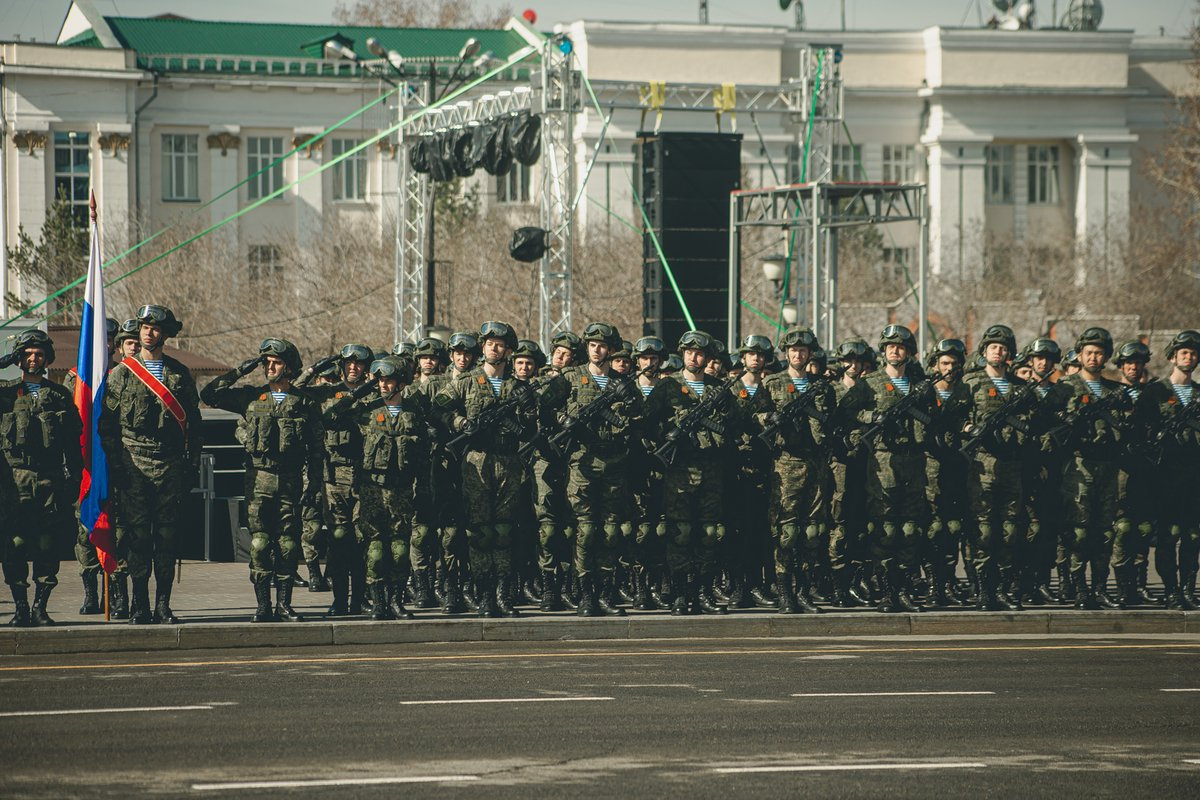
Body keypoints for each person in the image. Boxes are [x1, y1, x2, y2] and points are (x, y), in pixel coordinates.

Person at [201, 338, 324, 623]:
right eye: (266, 363)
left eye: (276, 363)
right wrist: (241, 370)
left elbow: (317, 450)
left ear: (290, 368)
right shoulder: (250, 397)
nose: (269, 367)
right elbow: (209, 394)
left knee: (288, 545)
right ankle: (262, 606)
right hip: (259, 483)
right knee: (259, 545)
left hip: (291, 482)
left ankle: (284, 604)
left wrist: (314, 486)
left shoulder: (304, 403)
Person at [101, 305, 202, 624]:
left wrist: (192, 464)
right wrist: (115, 466)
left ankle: (163, 604)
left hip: (170, 464)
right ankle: (139, 604)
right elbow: (108, 426)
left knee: (168, 538)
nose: (148, 331)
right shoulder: (122, 374)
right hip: (133, 465)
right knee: (138, 537)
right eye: (145, 326)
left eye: (155, 327)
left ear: (166, 334)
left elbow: (195, 424)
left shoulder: (178, 374)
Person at [434, 321, 538, 617]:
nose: (494, 347)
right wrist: (460, 423)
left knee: (504, 530)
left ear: (508, 350)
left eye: (500, 344)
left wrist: (529, 405)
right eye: (490, 343)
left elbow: (530, 426)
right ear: (483, 347)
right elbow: (439, 408)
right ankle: (484, 594)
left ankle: (505, 593)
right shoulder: (466, 381)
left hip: (508, 461)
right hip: (476, 461)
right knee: (480, 532)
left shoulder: (518, 386)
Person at [541, 322, 642, 616]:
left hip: (614, 461)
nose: (597, 350)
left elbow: (639, 417)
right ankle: (585, 592)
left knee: (611, 530)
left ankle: (606, 592)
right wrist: (563, 420)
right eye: (592, 345)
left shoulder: (621, 381)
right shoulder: (571, 378)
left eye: (602, 346)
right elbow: (543, 406)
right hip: (582, 461)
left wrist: (630, 397)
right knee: (585, 530)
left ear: (610, 350)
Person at [323, 355, 430, 620]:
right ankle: (379, 601)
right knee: (375, 550)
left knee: (400, 550)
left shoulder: (415, 413)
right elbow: (331, 417)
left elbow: (423, 456)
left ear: (401, 383)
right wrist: (361, 391)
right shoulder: (366, 411)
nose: (383, 385)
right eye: (380, 380)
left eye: (388, 380)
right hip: (372, 490)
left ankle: (396, 600)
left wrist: (425, 490)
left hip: (403, 490)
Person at [645, 330, 743, 615]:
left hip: (711, 467)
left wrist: (726, 408)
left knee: (709, 532)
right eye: (689, 353)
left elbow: (737, 424)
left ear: (707, 358)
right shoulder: (667, 387)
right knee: (680, 531)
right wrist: (669, 435)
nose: (693, 357)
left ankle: (702, 590)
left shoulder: (718, 388)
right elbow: (647, 421)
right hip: (680, 469)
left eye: (699, 354)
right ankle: (678, 593)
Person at [1, 330, 82, 626]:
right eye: (27, 354)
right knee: (16, 544)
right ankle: (20, 606)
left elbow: (74, 440)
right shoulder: (6, 393)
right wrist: (2, 362)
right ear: (19, 358)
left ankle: (40, 607)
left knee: (48, 544)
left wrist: (76, 477)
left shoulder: (59, 395)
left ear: (48, 358)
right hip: (14, 480)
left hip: (49, 481)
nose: (33, 359)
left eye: (38, 354)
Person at [759, 327, 835, 613]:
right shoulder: (773, 383)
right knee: (786, 530)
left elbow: (830, 420)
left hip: (816, 463)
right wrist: (770, 417)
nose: (798, 355)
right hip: (787, 463)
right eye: (793, 350)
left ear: (810, 354)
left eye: (803, 351)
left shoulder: (820, 386)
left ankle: (804, 590)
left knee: (813, 530)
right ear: (786, 353)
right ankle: (785, 591)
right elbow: (755, 414)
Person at [856, 324, 932, 613]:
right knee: (885, 527)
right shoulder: (871, 382)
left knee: (910, 528)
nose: (895, 351)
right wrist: (874, 415)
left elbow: (933, 417)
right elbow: (849, 413)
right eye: (890, 347)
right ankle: (886, 590)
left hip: (914, 460)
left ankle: (904, 588)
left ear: (909, 352)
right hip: (884, 460)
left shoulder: (919, 383)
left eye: (900, 347)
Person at [1057, 327, 1130, 610]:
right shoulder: (1065, 388)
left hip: (1108, 466)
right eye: (1088, 352)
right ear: (1080, 354)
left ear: (1107, 357)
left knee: (1104, 532)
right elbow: (1046, 425)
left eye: (1099, 353)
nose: (1094, 357)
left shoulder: (1117, 391)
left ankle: (1099, 587)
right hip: (1078, 465)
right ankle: (1079, 589)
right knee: (1079, 531)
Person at [298, 343, 373, 615]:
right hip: (334, 479)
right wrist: (313, 369)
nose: (353, 368)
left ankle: (361, 598)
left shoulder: (374, 395)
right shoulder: (327, 393)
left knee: (363, 540)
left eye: (359, 363)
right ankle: (340, 599)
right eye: (349, 363)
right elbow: (295, 392)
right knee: (339, 540)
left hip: (365, 477)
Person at [963, 325, 1031, 610]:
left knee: (1008, 529)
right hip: (981, 463)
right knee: (982, 529)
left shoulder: (1020, 387)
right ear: (984, 351)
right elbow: (954, 418)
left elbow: (1030, 422)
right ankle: (981, 588)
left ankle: (1002, 587)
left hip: (1011, 464)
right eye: (993, 347)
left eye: (1003, 348)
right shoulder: (970, 383)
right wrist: (969, 428)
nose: (998, 352)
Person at [1136, 330, 1200, 609]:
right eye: (1184, 352)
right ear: (1173, 356)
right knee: (1168, 534)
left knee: (1193, 536)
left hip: (1195, 475)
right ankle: (1171, 590)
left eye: (1194, 353)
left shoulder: (1198, 393)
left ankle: (1188, 588)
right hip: (1165, 476)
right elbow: (1139, 433)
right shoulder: (1155, 392)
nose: (1189, 357)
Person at [725, 334, 776, 609]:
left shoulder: (772, 389)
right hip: (735, 468)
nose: (755, 358)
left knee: (760, 531)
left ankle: (757, 585)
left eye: (760, 355)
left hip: (764, 466)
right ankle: (737, 586)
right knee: (736, 531)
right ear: (743, 358)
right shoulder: (729, 389)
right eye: (751, 354)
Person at [922, 338, 972, 606]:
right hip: (928, 467)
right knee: (932, 527)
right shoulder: (924, 393)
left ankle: (949, 581)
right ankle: (932, 585)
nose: (949, 368)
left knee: (953, 527)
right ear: (934, 366)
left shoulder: (966, 393)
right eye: (944, 363)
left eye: (954, 363)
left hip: (957, 465)